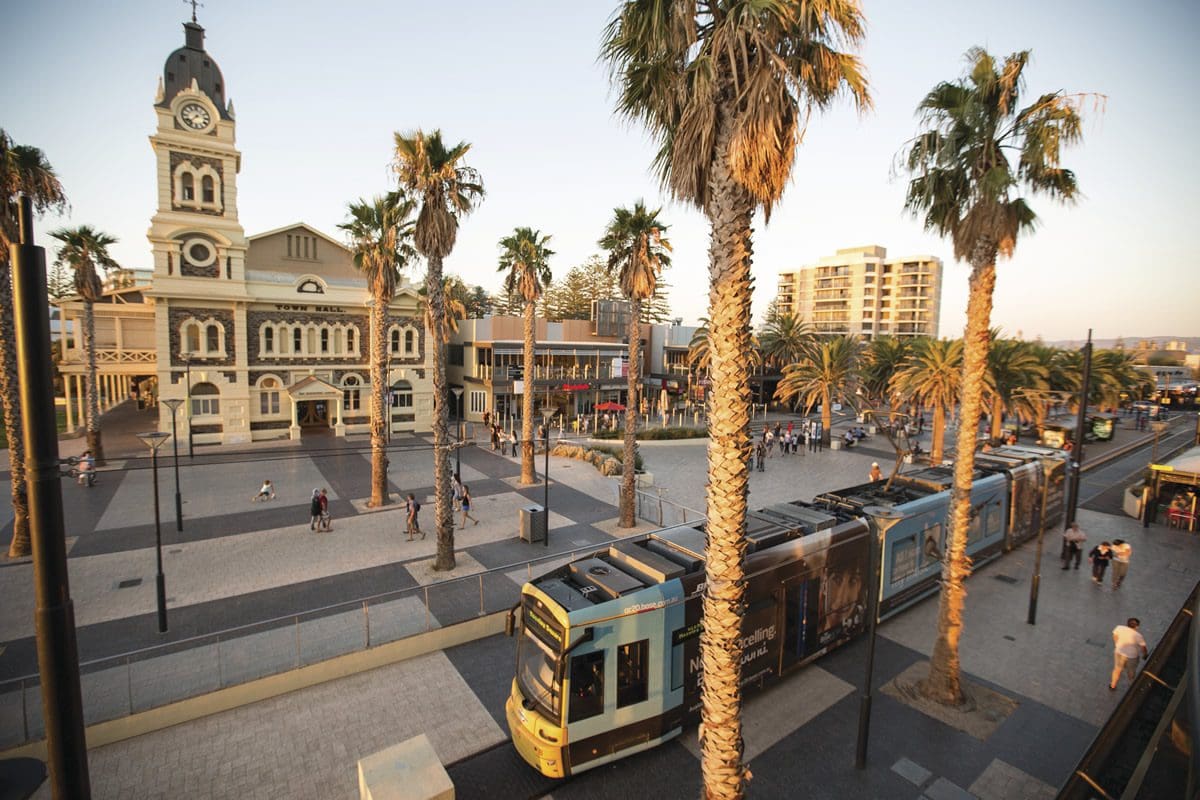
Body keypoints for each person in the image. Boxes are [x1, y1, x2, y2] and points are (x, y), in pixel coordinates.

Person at [1110, 617, 1148, 691]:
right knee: (1131, 672)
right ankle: (1132, 687)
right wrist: (1145, 654)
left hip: (1119, 653)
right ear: (1137, 626)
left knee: (1117, 670)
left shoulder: (1119, 628)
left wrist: (1117, 644)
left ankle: (1113, 685)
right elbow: (1143, 647)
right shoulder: (1138, 636)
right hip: (1132, 657)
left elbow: (1114, 635)